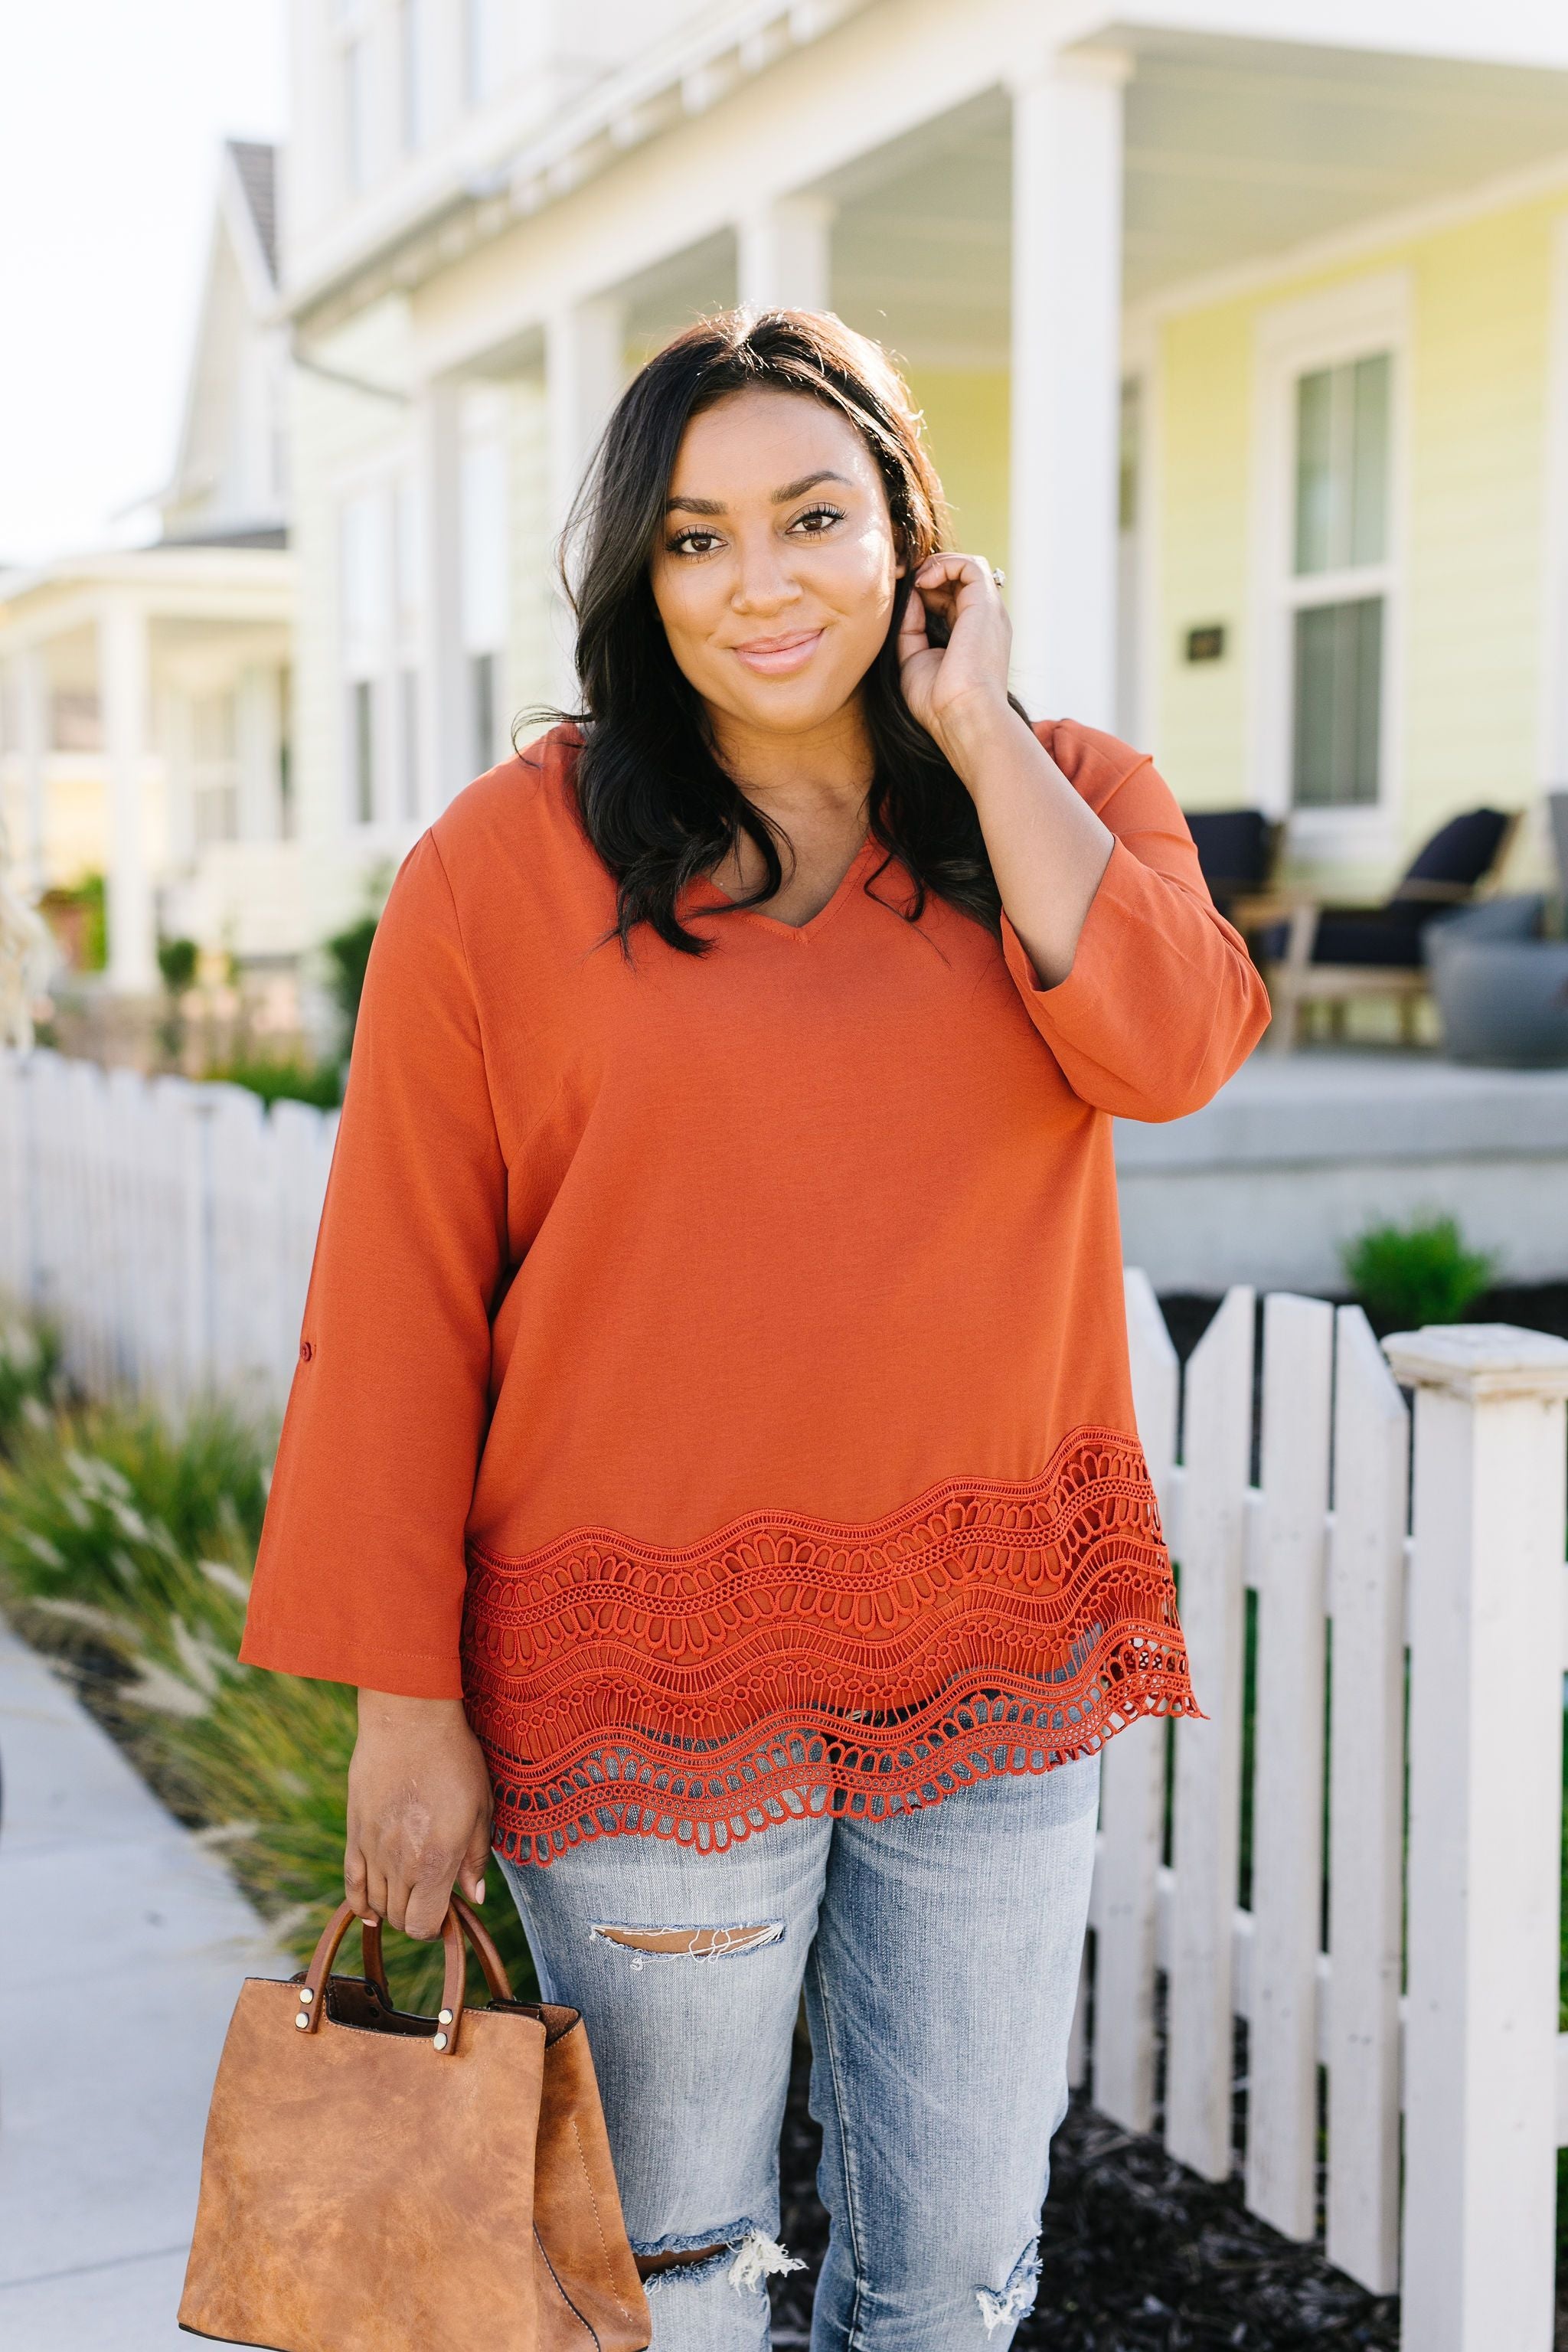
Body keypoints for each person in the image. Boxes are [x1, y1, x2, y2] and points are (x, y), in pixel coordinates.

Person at [241, 309, 1269, 2350]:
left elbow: (1171, 1047)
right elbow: (396, 1300)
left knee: (957, 2276)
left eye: (813, 517)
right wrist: (400, 1702)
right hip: (645, 1682)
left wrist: (980, 738)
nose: (759, 579)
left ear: (910, 538)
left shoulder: (1060, 797)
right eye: (697, 538)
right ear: (640, 574)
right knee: (679, 2281)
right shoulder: (497, 870)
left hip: (992, 1660)